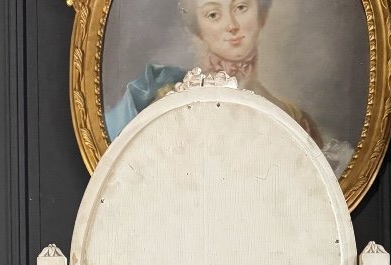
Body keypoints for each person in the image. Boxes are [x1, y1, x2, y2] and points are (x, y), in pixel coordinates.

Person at [105, 0, 354, 177]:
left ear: (261, 16)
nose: (232, 25)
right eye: (213, 14)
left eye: (241, 8)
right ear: (197, 27)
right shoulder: (159, 95)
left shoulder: (295, 119)